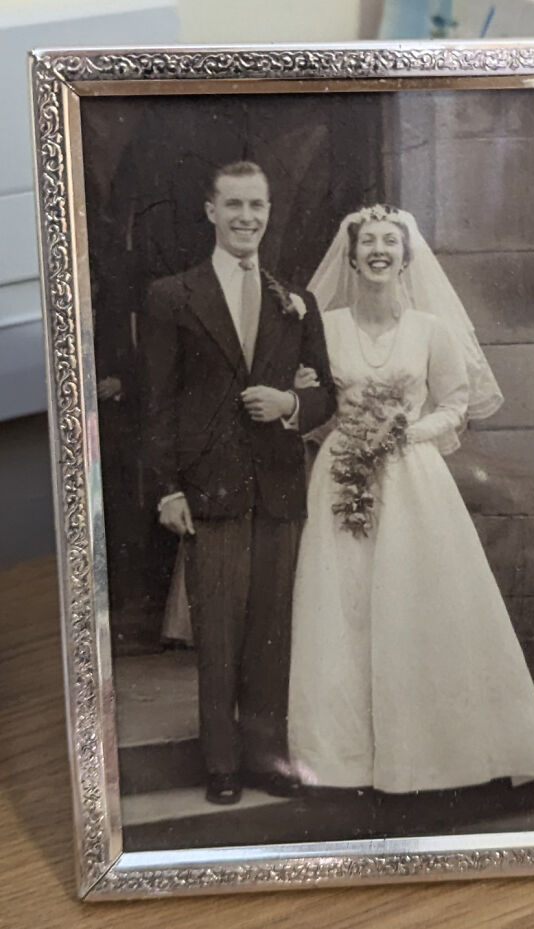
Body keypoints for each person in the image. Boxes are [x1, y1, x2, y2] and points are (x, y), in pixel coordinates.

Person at [287, 205, 534, 793]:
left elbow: (455, 406)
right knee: (344, 606)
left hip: (412, 480)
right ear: (354, 254)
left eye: (391, 242)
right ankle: (343, 757)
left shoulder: (429, 330)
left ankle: (433, 755)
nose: (379, 251)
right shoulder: (326, 326)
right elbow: (310, 404)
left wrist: (403, 432)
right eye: (369, 242)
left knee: (416, 603)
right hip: (341, 477)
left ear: (406, 257)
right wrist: (329, 417)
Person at [141, 161, 336, 804]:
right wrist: (168, 488)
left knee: (271, 632)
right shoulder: (175, 295)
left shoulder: (295, 301)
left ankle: (262, 759)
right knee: (219, 630)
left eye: (257, 205)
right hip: (210, 488)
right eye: (233, 205)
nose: (246, 216)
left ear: (269, 211)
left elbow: (325, 394)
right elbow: (159, 404)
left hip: (280, 487)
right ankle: (221, 765)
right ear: (210, 210)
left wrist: (291, 407)